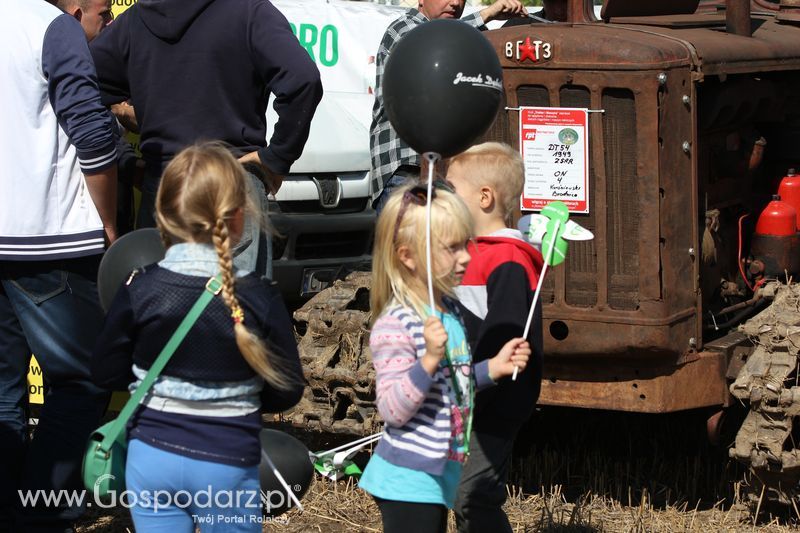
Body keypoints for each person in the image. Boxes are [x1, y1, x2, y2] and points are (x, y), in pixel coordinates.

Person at [91, 143, 305, 531]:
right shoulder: (257, 297)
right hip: (226, 459)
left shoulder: (139, 289)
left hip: (151, 455)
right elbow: (287, 390)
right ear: (239, 219)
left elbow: (105, 372)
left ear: (161, 216)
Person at [90, 0, 323, 274]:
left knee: (160, 305)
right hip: (230, 182)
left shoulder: (136, 20)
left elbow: (79, 82)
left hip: (167, 185)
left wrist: (123, 132)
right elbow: (303, 79)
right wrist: (277, 157)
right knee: (239, 308)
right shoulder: (248, 10)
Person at [0, 1, 118, 531]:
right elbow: (93, 137)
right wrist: (111, 225)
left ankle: (11, 508)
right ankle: (38, 512)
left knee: (3, 392)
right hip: (50, 240)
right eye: (100, 10)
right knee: (82, 382)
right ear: (75, 8)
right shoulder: (52, 27)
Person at [359, 181, 531, 533]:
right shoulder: (397, 323)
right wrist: (426, 362)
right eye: (452, 247)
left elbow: (454, 382)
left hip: (439, 471)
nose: (467, 256)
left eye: (466, 243)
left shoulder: (449, 310)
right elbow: (391, 409)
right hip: (408, 478)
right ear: (407, 256)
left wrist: (493, 368)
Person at [446, 142, 545, 533]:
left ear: (484, 197)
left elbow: (502, 337)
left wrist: (477, 389)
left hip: (492, 403)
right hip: (464, 395)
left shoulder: (507, 260)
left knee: (473, 495)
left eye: (452, 190)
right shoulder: (467, 253)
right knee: (456, 492)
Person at [370, 0, 527, 214]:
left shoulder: (459, 39)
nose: (455, 3)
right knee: (408, 245)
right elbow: (433, 42)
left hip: (445, 169)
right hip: (406, 169)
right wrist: (486, 14)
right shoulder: (404, 29)